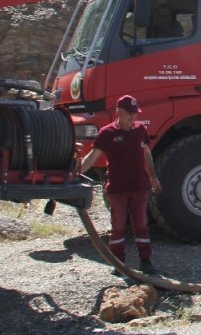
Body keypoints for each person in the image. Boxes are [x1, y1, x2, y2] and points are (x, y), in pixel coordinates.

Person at [80, 95, 162, 275]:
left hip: (139, 187)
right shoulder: (107, 134)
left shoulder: (140, 130)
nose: (132, 118)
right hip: (117, 189)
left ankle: (146, 261)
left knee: (141, 224)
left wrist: (153, 177)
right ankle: (118, 262)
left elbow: (146, 153)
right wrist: (76, 172)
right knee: (118, 227)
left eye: (134, 114)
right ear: (118, 112)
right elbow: (92, 157)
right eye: (128, 114)